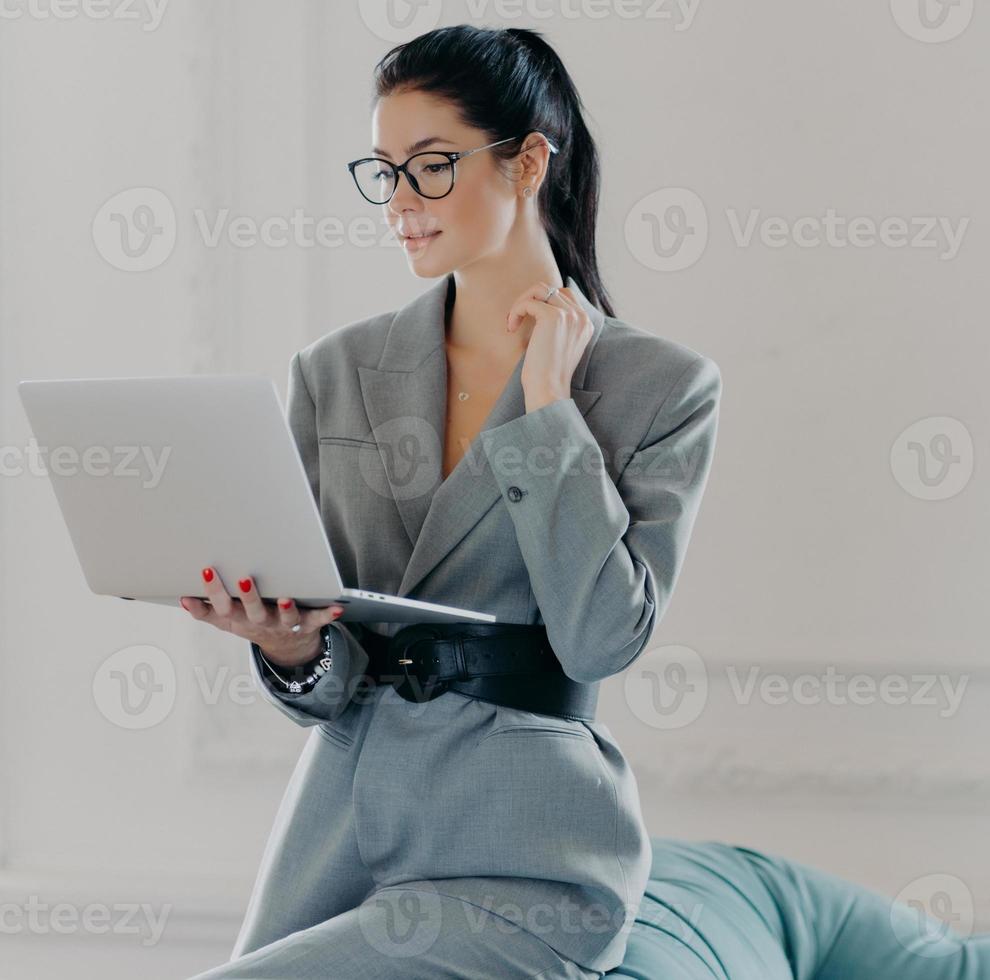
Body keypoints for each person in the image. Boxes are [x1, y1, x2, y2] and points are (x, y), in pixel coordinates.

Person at [184, 24, 721, 979]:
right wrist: (289, 645)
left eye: (430, 168)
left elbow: (601, 640)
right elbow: (334, 671)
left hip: (523, 857)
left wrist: (551, 407)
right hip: (339, 831)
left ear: (528, 163)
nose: (400, 202)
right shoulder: (336, 371)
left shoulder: (659, 387)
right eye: (383, 171)